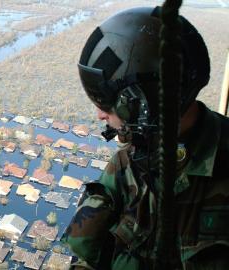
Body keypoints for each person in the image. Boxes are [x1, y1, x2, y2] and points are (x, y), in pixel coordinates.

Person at [61, 6, 229, 270]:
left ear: (143, 103)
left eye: (106, 102)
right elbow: (87, 257)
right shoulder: (127, 163)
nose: (99, 115)